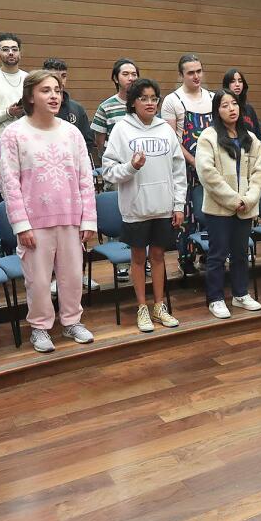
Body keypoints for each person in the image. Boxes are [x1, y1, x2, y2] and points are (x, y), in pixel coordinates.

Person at [0, 70, 97, 354]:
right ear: (30, 96)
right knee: (38, 280)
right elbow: (8, 182)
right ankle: (40, 327)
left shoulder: (71, 132)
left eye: (57, 90)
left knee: (72, 276)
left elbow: (85, 178)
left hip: (70, 218)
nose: (54, 95)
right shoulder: (14, 134)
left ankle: (72, 321)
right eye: (45, 90)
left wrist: (88, 218)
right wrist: (20, 225)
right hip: (34, 222)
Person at [100, 78, 185, 332]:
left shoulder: (165, 130)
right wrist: (131, 167)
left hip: (163, 206)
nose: (150, 103)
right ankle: (142, 308)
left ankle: (159, 305)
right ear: (133, 102)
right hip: (135, 209)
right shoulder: (121, 130)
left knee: (158, 257)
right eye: (144, 98)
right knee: (138, 258)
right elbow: (108, 170)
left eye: (154, 98)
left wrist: (178, 205)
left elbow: (179, 170)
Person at [195, 89, 261, 319]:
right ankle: (215, 299)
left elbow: (258, 173)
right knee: (217, 254)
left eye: (234, 104)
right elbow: (207, 173)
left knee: (240, 253)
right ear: (217, 110)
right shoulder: (208, 136)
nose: (231, 109)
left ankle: (240, 294)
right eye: (224, 105)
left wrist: (248, 199)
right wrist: (233, 200)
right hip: (219, 209)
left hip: (245, 207)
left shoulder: (251, 138)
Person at [161, 54, 214, 276]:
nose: (196, 76)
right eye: (191, 72)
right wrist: (194, 163)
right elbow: (172, 139)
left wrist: (209, 165)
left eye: (199, 71)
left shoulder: (213, 97)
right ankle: (186, 259)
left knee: (211, 211)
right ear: (181, 75)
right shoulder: (173, 100)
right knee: (187, 213)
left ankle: (209, 255)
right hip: (185, 167)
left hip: (211, 167)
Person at [43, 58, 95, 158]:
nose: (60, 81)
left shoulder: (77, 109)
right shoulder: (34, 108)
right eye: (54, 76)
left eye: (63, 76)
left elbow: (87, 142)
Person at [90, 58, 139, 157]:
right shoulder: (106, 107)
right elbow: (100, 141)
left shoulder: (144, 104)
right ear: (116, 79)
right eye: (125, 74)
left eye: (134, 74)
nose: (131, 78)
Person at [223, 68, 261, 136]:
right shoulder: (222, 108)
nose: (237, 84)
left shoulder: (249, 109)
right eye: (233, 81)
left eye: (240, 81)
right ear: (227, 84)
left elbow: (258, 135)